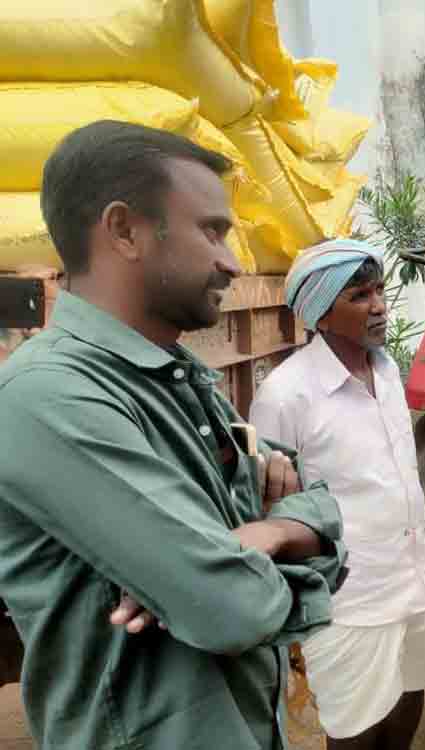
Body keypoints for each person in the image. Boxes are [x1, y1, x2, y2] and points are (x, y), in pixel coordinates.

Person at [0, 120, 347, 748]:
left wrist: (273, 530)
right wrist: (257, 557)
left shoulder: (181, 379)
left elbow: (320, 505)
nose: (232, 261)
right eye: (211, 230)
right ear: (124, 230)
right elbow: (231, 607)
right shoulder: (48, 397)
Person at [249, 239, 425, 749]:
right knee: (355, 728)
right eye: (359, 295)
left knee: (410, 699)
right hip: (349, 598)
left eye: (379, 290)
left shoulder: (387, 370)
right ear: (321, 313)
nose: (379, 305)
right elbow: (270, 505)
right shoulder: (287, 393)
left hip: (412, 577)